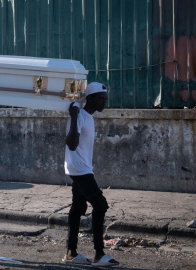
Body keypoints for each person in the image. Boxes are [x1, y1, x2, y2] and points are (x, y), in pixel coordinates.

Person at [62, 82, 119, 267]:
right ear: (91, 98)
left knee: (78, 208)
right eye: (100, 98)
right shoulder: (78, 115)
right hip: (79, 169)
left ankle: (71, 253)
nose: (103, 102)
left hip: (81, 167)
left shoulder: (88, 117)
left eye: (105, 99)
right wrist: (72, 117)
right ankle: (99, 254)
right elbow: (71, 144)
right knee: (100, 205)